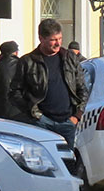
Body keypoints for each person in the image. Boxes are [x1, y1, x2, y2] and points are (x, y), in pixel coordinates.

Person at [9, 19, 89, 147]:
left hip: (68, 122)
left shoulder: (70, 58)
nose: (58, 43)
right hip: (41, 123)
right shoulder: (27, 61)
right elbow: (14, 92)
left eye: (60, 38)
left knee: (68, 162)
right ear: (41, 38)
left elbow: (82, 89)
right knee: (42, 162)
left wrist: (77, 116)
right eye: (53, 40)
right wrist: (34, 114)